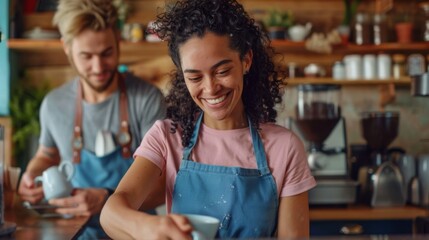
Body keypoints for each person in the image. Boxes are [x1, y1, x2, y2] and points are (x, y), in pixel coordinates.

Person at [100, 0, 316, 239]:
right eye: (195, 77)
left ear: (246, 60)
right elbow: (111, 213)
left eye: (222, 71)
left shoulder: (284, 147)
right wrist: (149, 228)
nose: (210, 88)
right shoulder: (167, 137)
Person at [17, 0, 166, 235]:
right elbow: (47, 155)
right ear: (66, 47)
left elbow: (162, 186)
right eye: (86, 56)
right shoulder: (54, 104)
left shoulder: (147, 99)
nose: (98, 67)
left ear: (118, 40)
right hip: (74, 232)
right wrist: (32, 175)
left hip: (133, 231)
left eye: (106, 53)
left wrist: (108, 198)